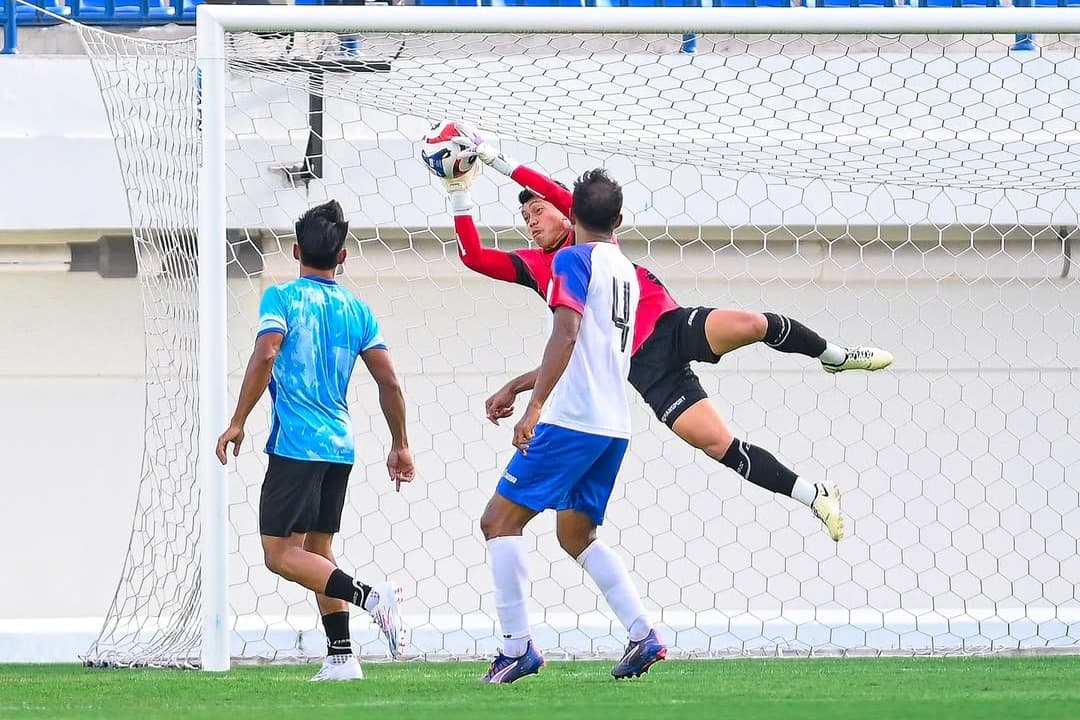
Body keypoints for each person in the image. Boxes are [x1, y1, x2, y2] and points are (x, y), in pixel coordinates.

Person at [442, 124, 895, 542]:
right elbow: (476, 259)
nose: (532, 221)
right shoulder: (543, 267)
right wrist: (458, 190)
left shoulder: (591, 239)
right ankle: (814, 494)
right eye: (526, 218)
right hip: (644, 369)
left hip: (670, 325)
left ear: (568, 214)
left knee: (756, 324)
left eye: (538, 210)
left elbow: (561, 193)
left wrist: (490, 157)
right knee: (721, 446)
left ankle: (834, 355)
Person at [479, 169, 667, 684]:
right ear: (619, 220)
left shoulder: (571, 259)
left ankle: (516, 648)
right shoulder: (626, 270)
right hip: (613, 426)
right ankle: (641, 633)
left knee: (498, 521)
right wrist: (519, 386)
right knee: (576, 534)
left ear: (572, 214)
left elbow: (567, 332)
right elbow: (587, 349)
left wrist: (534, 406)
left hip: (573, 421)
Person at [215, 199, 414, 681]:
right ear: (342, 256)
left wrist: (238, 419)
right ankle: (342, 657)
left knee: (279, 554)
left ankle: (371, 597)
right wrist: (400, 444)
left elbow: (266, 354)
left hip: (297, 445)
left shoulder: (281, 299)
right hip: (341, 445)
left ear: (296, 250)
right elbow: (389, 382)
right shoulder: (358, 310)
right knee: (318, 552)